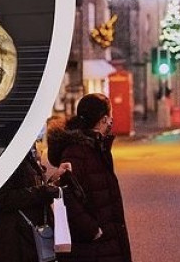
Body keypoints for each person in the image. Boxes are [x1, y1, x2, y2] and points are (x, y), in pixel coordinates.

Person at [47, 93, 133, 262]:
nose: (111, 121)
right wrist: (92, 230)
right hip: (91, 248)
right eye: (110, 116)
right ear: (103, 119)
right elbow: (64, 193)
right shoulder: (77, 151)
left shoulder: (95, 147)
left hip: (104, 245)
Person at [0, 134, 61, 262]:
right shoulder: (9, 159)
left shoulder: (26, 155)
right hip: (13, 242)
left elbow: (29, 186)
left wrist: (52, 182)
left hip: (25, 240)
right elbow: (0, 199)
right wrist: (43, 192)